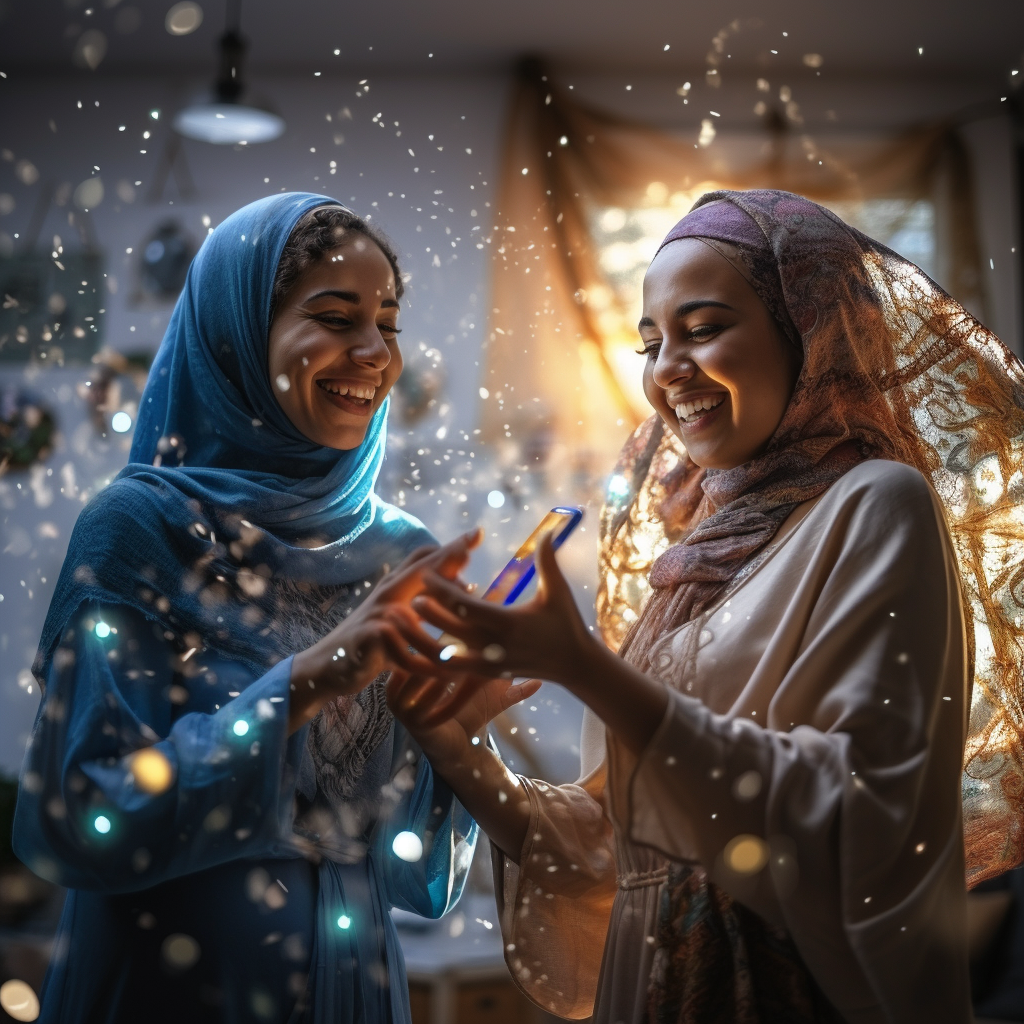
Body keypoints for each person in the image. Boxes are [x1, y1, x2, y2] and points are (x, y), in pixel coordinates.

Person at [386, 189, 1024, 1023]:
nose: (667, 373)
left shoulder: (874, 505)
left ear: (811, 329)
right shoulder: (687, 557)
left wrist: (583, 668)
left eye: (704, 328)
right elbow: (621, 853)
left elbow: (860, 818)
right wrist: (457, 747)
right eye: (652, 343)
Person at [13, 193, 529, 1024]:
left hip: (352, 988)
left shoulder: (399, 553)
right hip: (173, 988)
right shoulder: (140, 532)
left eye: (388, 323)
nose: (374, 354)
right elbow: (84, 817)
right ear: (239, 338)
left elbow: (411, 871)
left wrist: (451, 740)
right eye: (334, 317)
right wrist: (307, 683)